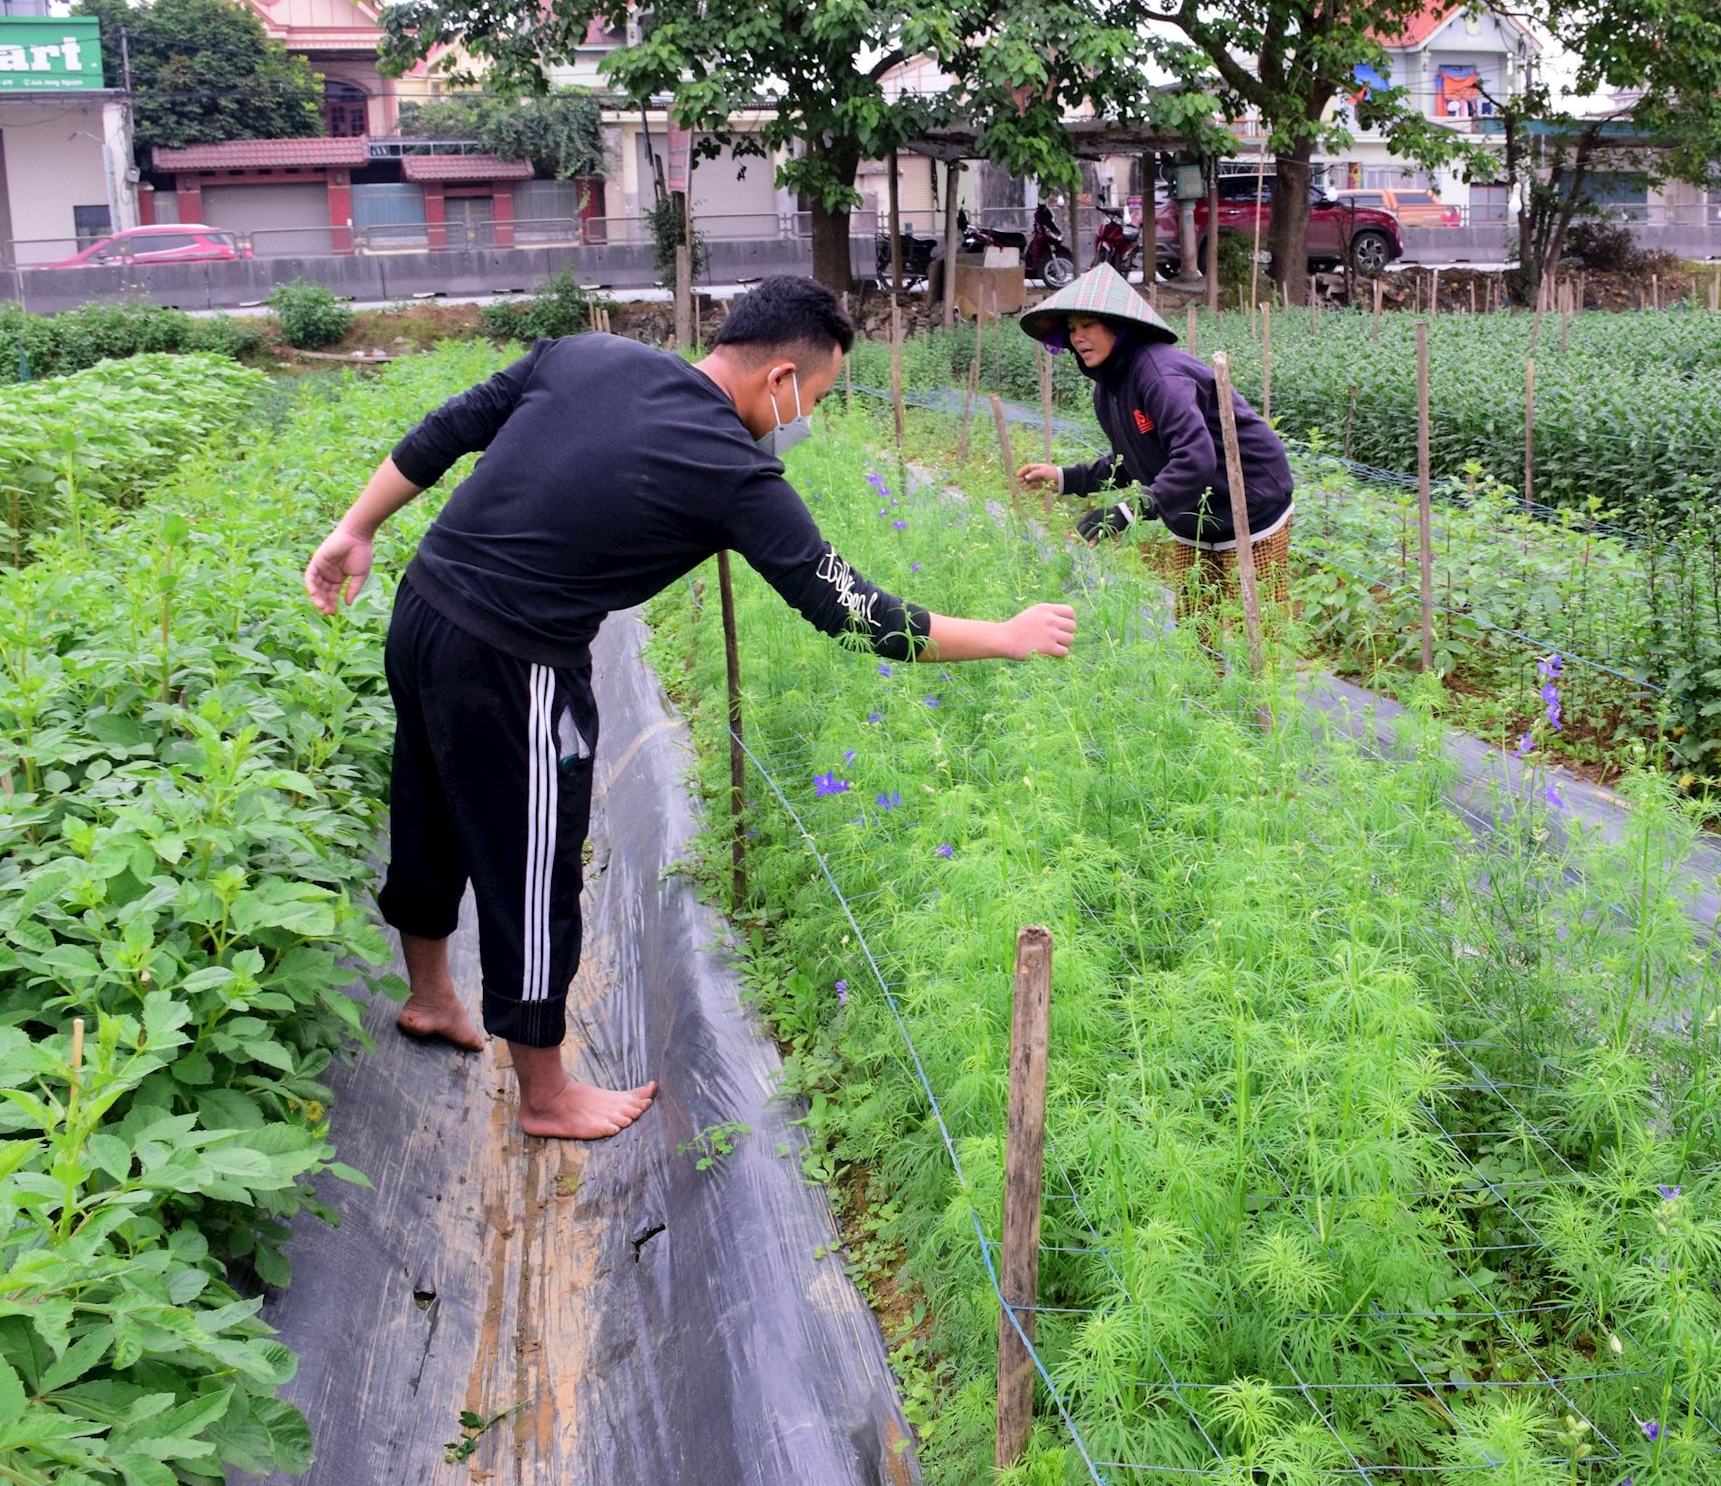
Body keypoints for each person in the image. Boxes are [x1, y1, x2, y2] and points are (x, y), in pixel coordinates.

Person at [303, 276, 1076, 1141]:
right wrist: (1004, 635)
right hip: (512, 660)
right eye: (814, 398)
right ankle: (547, 1093)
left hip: (423, 607)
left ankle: (432, 995)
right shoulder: (733, 471)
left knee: (430, 806)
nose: (805, 418)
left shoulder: (590, 355)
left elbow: (450, 428)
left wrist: (357, 526)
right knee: (534, 863)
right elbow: (851, 611)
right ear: (780, 376)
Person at [1015, 263, 1294, 602]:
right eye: (1072, 329)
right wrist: (1064, 477)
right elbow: (1129, 461)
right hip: (1192, 511)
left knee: (1257, 627)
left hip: (1251, 503)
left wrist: (1129, 511)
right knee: (1195, 625)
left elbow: (1196, 458)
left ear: (1118, 327)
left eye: (1088, 324)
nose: (1078, 337)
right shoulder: (1109, 390)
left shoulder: (1160, 377)